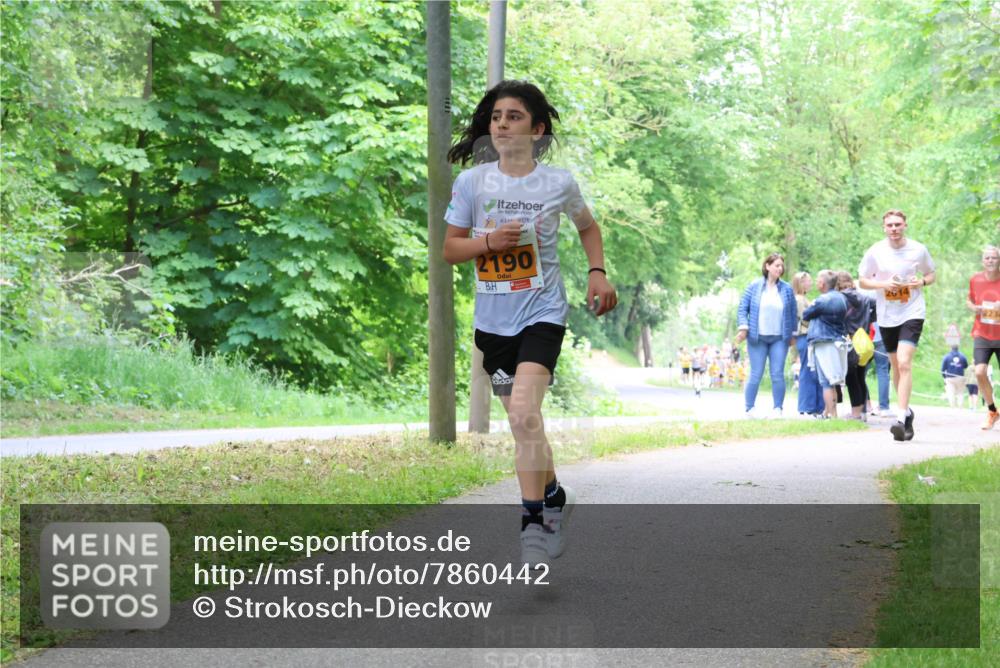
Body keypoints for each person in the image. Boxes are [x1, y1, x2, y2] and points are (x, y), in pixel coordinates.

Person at [443, 80, 618, 566]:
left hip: (542, 314)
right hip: (493, 324)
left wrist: (597, 272)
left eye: (514, 116)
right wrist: (487, 244)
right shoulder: (472, 184)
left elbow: (588, 226)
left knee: (523, 412)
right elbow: (450, 249)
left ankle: (532, 525)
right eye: (496, 116)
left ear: (537, 129)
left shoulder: (557, 183)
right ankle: (555, 495)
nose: (501, 124)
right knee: (525, 426)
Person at [858, 209, 936, 441]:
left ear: (905, 225)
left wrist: (920, 281)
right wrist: (884, 284)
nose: (894, 229)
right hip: (887, 315)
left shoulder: (918, 249)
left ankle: (900, 418)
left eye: (898, 224)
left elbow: (931, 274)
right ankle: (908, 412)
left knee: (904, 362)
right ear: (884, 227)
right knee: (895, 364)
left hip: (912, 311)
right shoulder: (875, 251)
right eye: (890, 225)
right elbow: (862, 280)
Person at [735, 253, 798, 418]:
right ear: (767, 266)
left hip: (779, 338)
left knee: (777, 374)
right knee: (755, 373)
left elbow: (792, 313)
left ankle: (778, 409)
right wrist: (743, 328)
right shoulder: (754, 286)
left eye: (781, 265)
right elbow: (743, 309)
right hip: (757, 338)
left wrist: (793, 334)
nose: (780, 268)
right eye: (777, 265)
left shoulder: (786, 289)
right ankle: (750, 409)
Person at [803, 270, 849, 419]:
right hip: (838, 341)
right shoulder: (842, 299)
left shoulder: (822, 300)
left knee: (826, 381)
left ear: (822, 283)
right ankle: (829, 413)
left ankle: (832, 415)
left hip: (824, 343)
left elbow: (806, 314)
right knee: (834, 378)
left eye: (817, 280)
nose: (816, 282)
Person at [967, 244, 1000, 429]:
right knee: (979, 372)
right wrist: (974, 308)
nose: (990, 261)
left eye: (994, 257)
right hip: (982, 333)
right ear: (982, 261)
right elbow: (969, 300)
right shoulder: (975, 279)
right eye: (987, 258)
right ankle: (992, 410)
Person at [838, 272, 875, 420]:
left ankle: (855, 413)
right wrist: (869, 319)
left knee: (851, 378)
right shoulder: (865, 298)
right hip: (864, 340)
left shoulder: (841, 298)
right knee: (860, 377)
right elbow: (879, 305)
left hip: (850, 339)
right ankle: (862, 412)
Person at [792, 271, 824, 416]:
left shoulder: (804, 298)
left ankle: (816, 406)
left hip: (808, 337)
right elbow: (804, 319)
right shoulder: (799, 300)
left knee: (813, 370)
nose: (810, 283)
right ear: (801, 283)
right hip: (804, 337)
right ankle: (807, 406)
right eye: (808, 281)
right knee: (807, 370)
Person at [867, 322, 892, 416]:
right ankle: (884, 407)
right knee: (883, 371)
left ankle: (866, 405)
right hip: (881, 336)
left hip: (864, 337)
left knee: (859, 372)